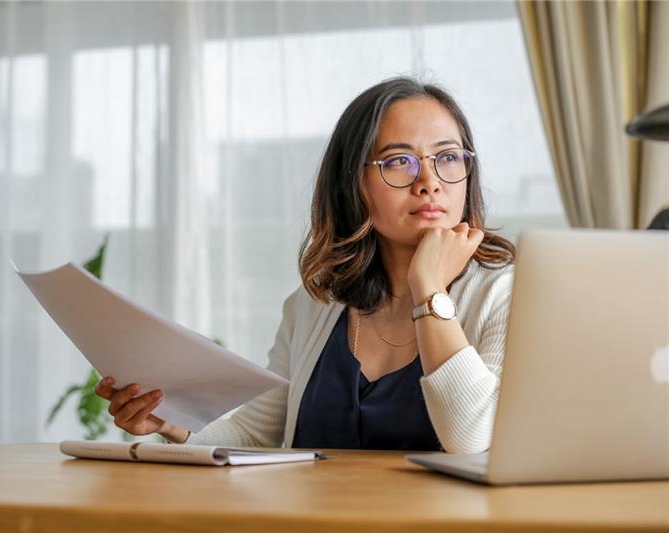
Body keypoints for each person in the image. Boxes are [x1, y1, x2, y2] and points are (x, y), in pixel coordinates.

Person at [95, 76, 516, 454]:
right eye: (398, 162)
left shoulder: (506, 293)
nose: (430, 181)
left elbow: (472, 439)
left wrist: (430, 291)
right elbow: (254, 437)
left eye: (448, 157)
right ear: (354, 183)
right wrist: (171, 421)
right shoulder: (314, 306)